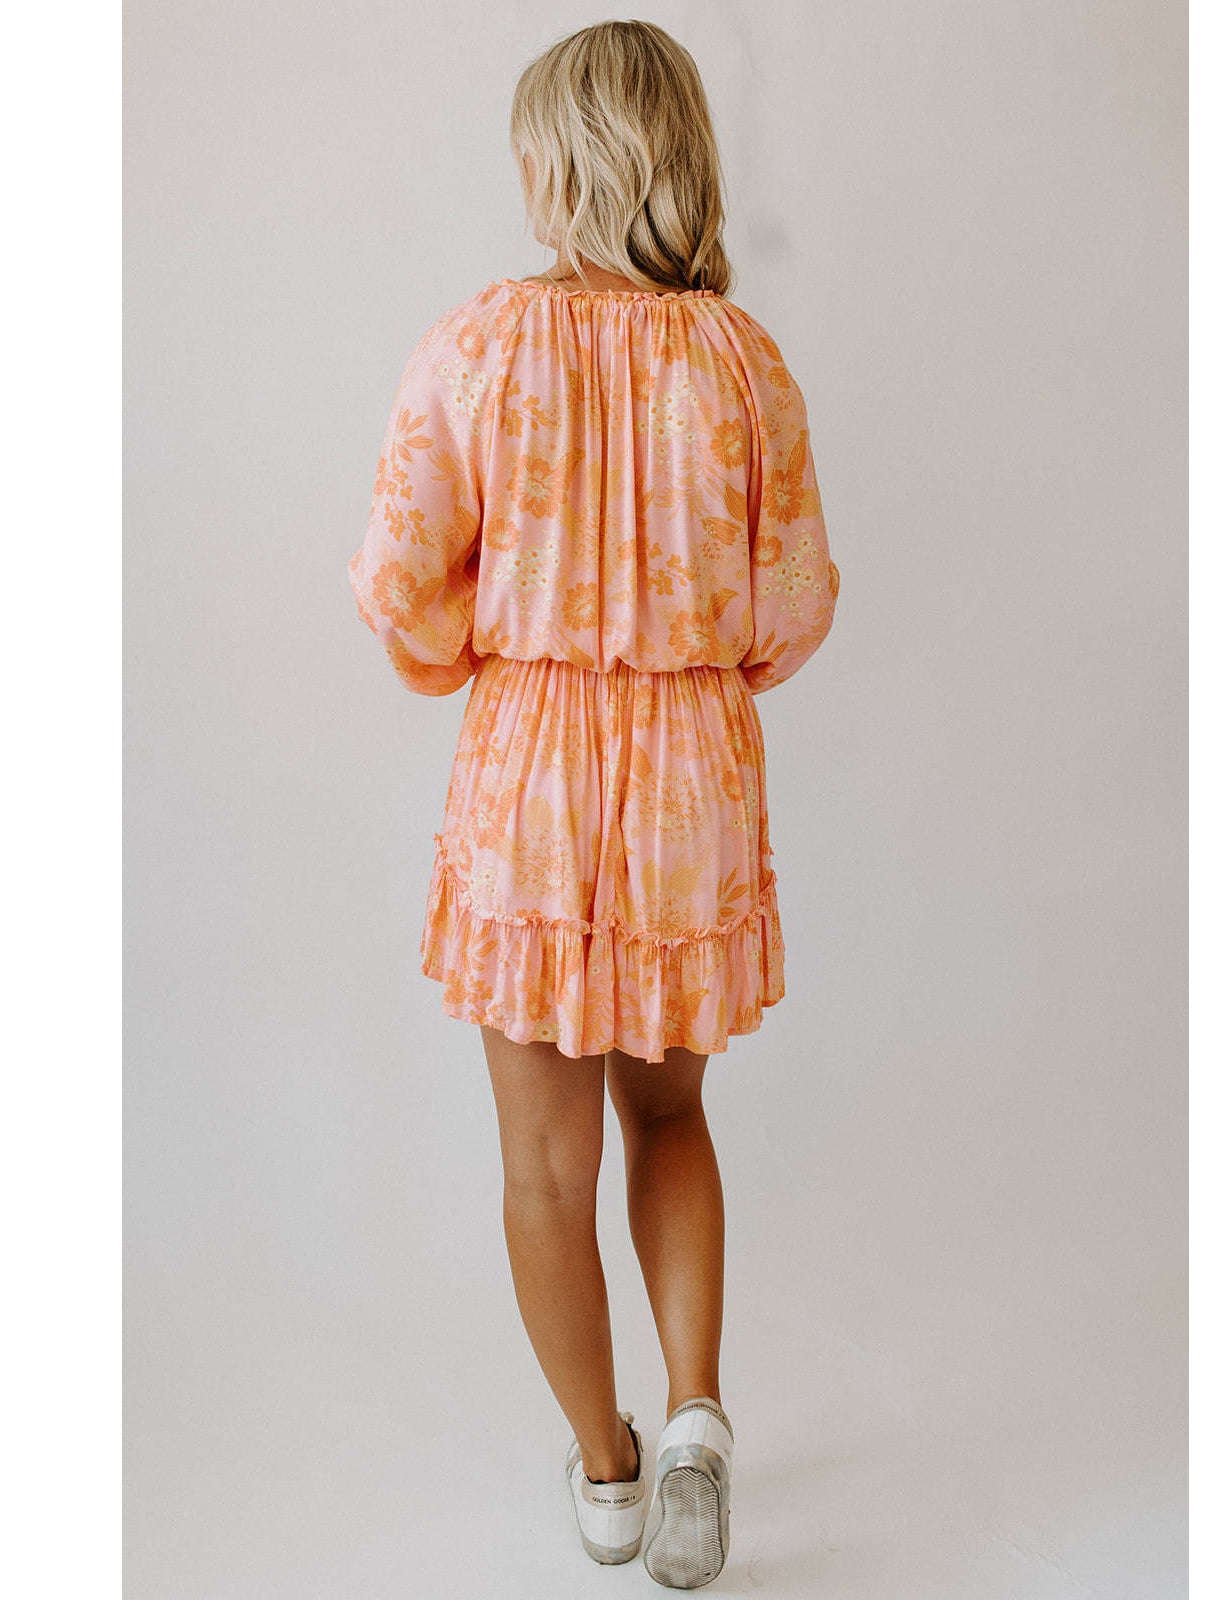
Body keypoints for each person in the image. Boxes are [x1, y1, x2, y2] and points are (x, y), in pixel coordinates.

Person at [348, 19, 839, 1589]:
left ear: (549, 162)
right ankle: (697, 1415)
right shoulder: (743, 361)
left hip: (536, 783)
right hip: (691, 771)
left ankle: (611, 1475)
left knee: (544, 1169)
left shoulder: (476, 348)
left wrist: (475, 655)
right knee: (673, 1115)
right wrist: (690, 668)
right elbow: (794, 606)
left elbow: (400, 584)